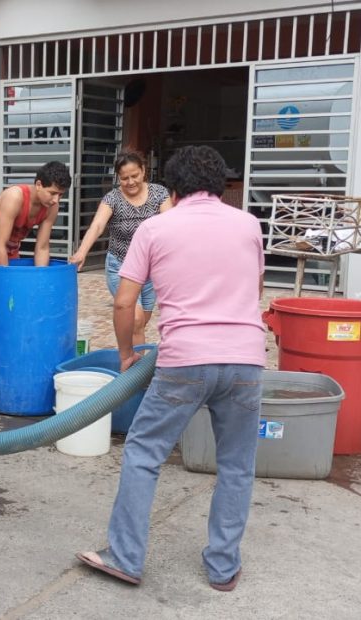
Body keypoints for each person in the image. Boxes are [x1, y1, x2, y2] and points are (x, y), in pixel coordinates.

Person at [76, 145, 266, 592]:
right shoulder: (249, 224)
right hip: (246, 361)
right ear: (220, 185)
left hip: (185, 361)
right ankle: (222, 568)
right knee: (237, 466)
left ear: (173, 188)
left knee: (144, 454)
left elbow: (125, 301)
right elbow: (254, 288)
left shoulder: (157, 228)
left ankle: (125, 557)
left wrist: (126, 355)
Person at [69, 150, 172, 345]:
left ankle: (133, 364)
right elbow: (97, 226)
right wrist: (82, 252)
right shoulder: (112, 198)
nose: (130, 182)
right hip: (121, 267)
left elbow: (170, 225)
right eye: (124, 178)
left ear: (143, 171)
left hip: (151, 269)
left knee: (140, 323)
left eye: (135, 176)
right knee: (135, 319)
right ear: (118, 178)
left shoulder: (160, 193)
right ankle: (131, 366)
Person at [0, 161, 71, 270]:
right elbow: (0, 244)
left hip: (13, 256)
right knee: (7, 285)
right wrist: (6, 278)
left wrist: (41, 277)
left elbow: (42, 247)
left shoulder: (52, 207)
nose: (56, 200)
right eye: (52, 193)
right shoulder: (14, 197)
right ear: (39, 185)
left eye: (60, 195)